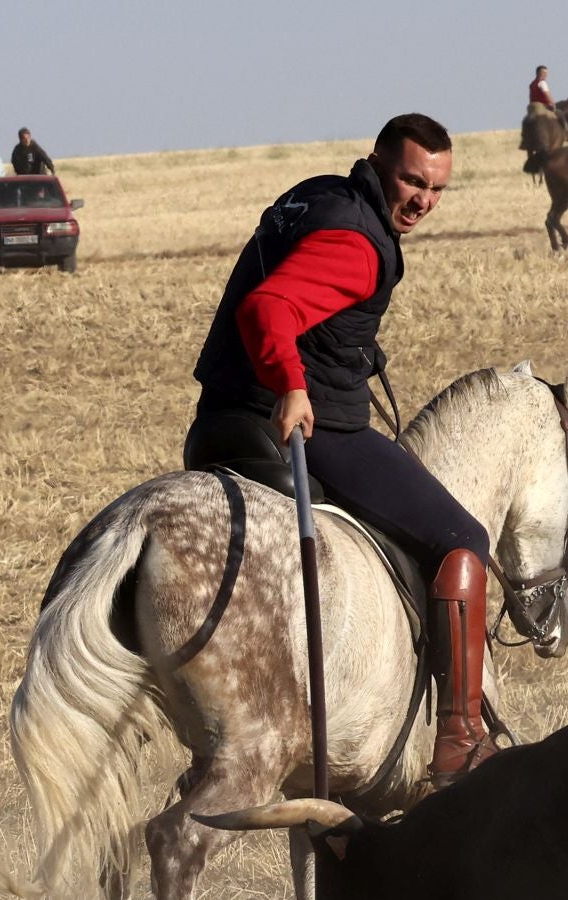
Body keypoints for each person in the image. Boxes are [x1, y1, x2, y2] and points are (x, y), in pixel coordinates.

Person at [184, 113, 498, 788]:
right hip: (306, 427)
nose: (423, 200)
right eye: (414, 180)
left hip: (218, 416)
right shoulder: (359, 245)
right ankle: (461, 738)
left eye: (438, 189)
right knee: (463, 537)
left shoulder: (319, 195)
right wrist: (295, 386)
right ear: (381, 163)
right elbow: (268, 309)